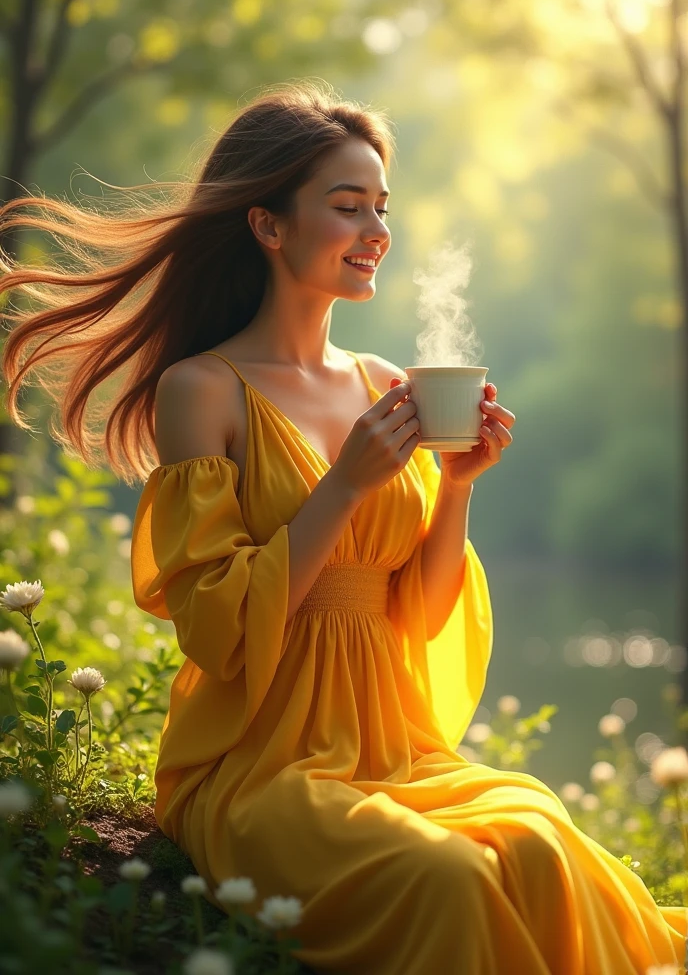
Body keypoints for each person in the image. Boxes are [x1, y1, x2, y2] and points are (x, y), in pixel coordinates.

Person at [1, 80, 685, 974]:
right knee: (448, 878)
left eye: (381, 209)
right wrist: (346, 485)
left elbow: (422, 614)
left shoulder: (382, 382)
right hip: (261, 766)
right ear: (269, 225)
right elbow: (217, 629)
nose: (377, 233)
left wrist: (457, 486)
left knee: (538, 842)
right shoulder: (202, 391)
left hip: (390, 748)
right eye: (347, 206)